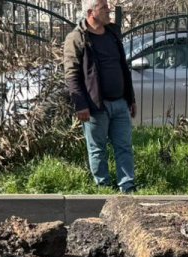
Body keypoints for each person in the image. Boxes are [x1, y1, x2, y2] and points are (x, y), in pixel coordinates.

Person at [64, 0, 136, 193]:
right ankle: (103, 188)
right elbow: (71, 74)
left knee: (124, 147)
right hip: (95, 105)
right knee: (98, 149)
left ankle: (127, 187)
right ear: (91, 12)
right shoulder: (77, 38)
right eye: (104, 8)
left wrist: (131, 99)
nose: (108, 10)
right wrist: (80, 104)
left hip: (120, 102)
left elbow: (123, 67)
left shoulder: (112, 33)